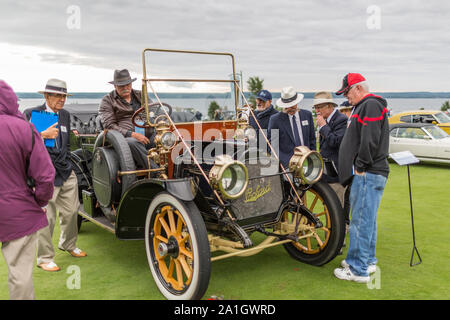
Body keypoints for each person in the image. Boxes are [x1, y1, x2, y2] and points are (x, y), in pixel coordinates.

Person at [24, 79, 87, 272]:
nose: (61, 99)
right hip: (44, 173)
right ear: (46, 96)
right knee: (47, 218)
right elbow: (21, 143)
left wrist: (68, 161)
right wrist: (42, 135)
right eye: (57, 95)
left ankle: (68, 244)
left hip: (65, 170)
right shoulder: (31, 114)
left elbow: (66, 144)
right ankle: (44, 258)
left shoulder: (65, 115)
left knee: (71, 211)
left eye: (64, 96)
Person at [0, 80, 55, 299]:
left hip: (15, 206)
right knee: (20, 277)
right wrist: (40, 201)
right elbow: (44, 175)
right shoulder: (24, 127)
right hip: (18, 209)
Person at [333, 73, 390, 283]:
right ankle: (366, 260)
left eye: (347, 92)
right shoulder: (366, 105)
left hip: (368, 172)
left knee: (360, 221)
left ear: (358, 88)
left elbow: (370, 139)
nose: (346, 97)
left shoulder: (370, 105)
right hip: (371, 172)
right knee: (367, 220)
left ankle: (358, 269)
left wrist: (361, 165)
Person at [99, 69, 153, 169]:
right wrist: (132, 134)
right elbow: (109, 126)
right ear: (115, 86)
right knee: (132, 143)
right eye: (121, 85)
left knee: (167, 138)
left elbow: (154, 110)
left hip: (147, 134)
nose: (125, 88)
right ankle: (155, 171)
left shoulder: (140, 95)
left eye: (128, 84)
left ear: (131, 84)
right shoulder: (107, 100)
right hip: (123, 138)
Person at [313, 91, 347, 207]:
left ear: (329, 106)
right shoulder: (326, 120)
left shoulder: (341, 119)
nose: (317, 111)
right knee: (329, 209)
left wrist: (323, 126)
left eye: (319, 107)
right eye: (315, 108)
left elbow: (335, 142)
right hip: (326, 174)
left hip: (336, 175)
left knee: (338, 209)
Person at [268, 86, 316, 169]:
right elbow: (272, 146)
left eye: (292, 105)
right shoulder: (275, 119)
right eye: (287, 106)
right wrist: (284, 162)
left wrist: (312, 157)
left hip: (308, 161)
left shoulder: (307, 115)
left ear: (297, 102)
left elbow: (312, 139)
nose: (290, 108)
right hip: (287, 166)